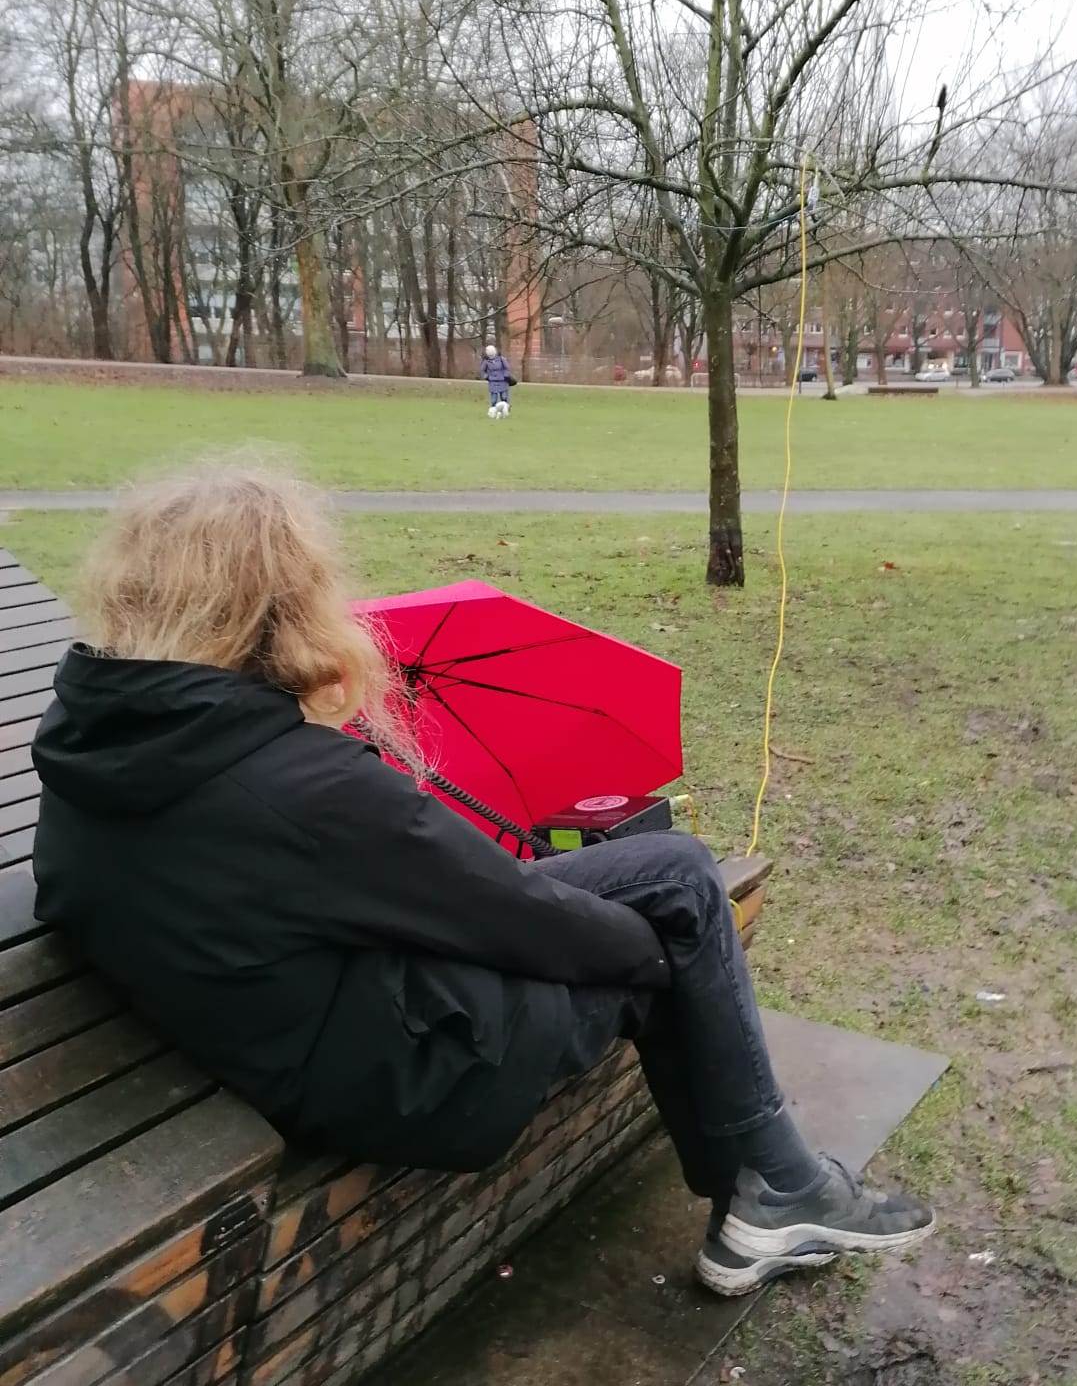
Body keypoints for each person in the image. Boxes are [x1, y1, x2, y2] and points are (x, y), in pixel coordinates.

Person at [30, 464, 933, 1298]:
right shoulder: (303, 790)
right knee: (683, 887)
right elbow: (519, 916)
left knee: (666, 883)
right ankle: (780, 1186)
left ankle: (766, 1184)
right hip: (411, 1071)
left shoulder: (93, 748)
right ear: (284, 610)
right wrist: (665, 951)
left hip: (303, 1009)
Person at [481, 344, 514, 419]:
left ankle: (505, 412)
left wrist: (505, 375)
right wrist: (486, 376)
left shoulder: (501, 359)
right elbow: (482, 370)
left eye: (492, 355)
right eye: (490, 355)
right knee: (493, 400)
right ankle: (492, 413)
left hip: (503, 381)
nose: (491, 357)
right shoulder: (486, 361)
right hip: (492, 382)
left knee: (504, 398)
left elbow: (507, 368)